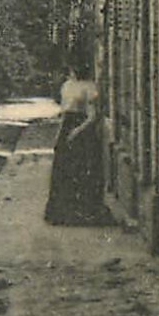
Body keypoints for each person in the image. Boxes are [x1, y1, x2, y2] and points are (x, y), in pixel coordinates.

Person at [45, 64, 111, 225]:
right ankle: (65, 212)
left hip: (81, 130)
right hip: (71, 128)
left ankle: (79, 212)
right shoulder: (71, 85)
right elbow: (65, 114)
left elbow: (92, 116)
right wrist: (61, 135)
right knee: (66, 169)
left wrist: (75, 131)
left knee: (79, 169)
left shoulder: (85, 87)